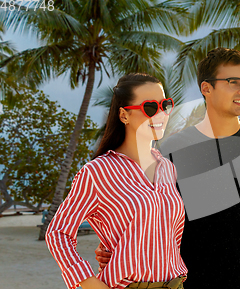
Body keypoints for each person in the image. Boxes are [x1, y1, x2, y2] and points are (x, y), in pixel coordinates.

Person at [96, 48, 240, 289]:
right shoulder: (172, 149)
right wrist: (113, 245)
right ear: (206, 88)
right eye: (233, 82)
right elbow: (148, 215)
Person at [46, 73, 188, 289]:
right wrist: (91, 284)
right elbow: (58, 232)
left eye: (165, 105)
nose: (160, 114)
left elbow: (169, 236)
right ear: (124, 115)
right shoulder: (97, 172)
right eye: (150, 107)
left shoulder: (168, 169)